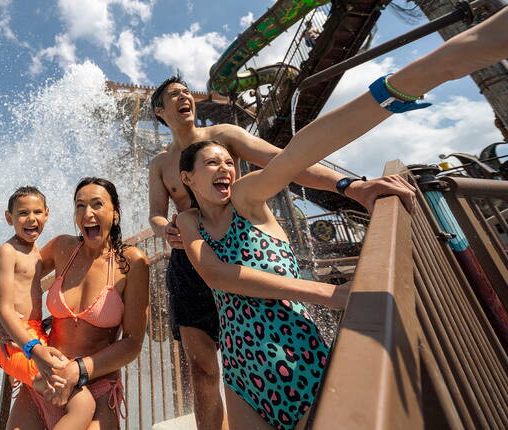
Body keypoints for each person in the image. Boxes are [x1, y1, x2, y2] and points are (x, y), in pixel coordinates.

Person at [175, 9, 508, 429]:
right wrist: (331, 295)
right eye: (211, 162)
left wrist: (353, 184)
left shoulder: (246, 198)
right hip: (241, 372)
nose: (226, 168)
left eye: (229, 161)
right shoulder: (189, 224)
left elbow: (296, 155)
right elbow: (217, 276)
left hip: (294, 352)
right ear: (186, 177)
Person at [149, 66, 415, 430]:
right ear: (159, 112)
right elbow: (156, 215)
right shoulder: (162, 166)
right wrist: (168, 228)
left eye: (186, 92)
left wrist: (347, 186)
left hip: (241, 247)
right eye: (173, 95)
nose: (184, 98)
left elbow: (287, 161)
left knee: (269, 323)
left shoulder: (224, 140)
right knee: (201, 366)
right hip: (194, 253)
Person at [0, 178, 150, 430]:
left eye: (97, 204)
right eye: (80, 206)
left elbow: (132, 344)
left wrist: (77, 370)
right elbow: (18, 280)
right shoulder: (63, 247)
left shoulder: (132, 262)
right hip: (44, 379)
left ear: (115, 212)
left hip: (94, 389)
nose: (88, 213)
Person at [0, 186, 96, 430]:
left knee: (66, 391)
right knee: (82, 402)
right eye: (23, 213)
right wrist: (32, 348)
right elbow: (4, 307)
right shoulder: (8, 251)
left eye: (37, 212)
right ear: (9, 218)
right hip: (19, 342)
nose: (31, 218)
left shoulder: (35, 251)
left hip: (36, 337)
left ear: (47, 214)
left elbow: (15, 293)